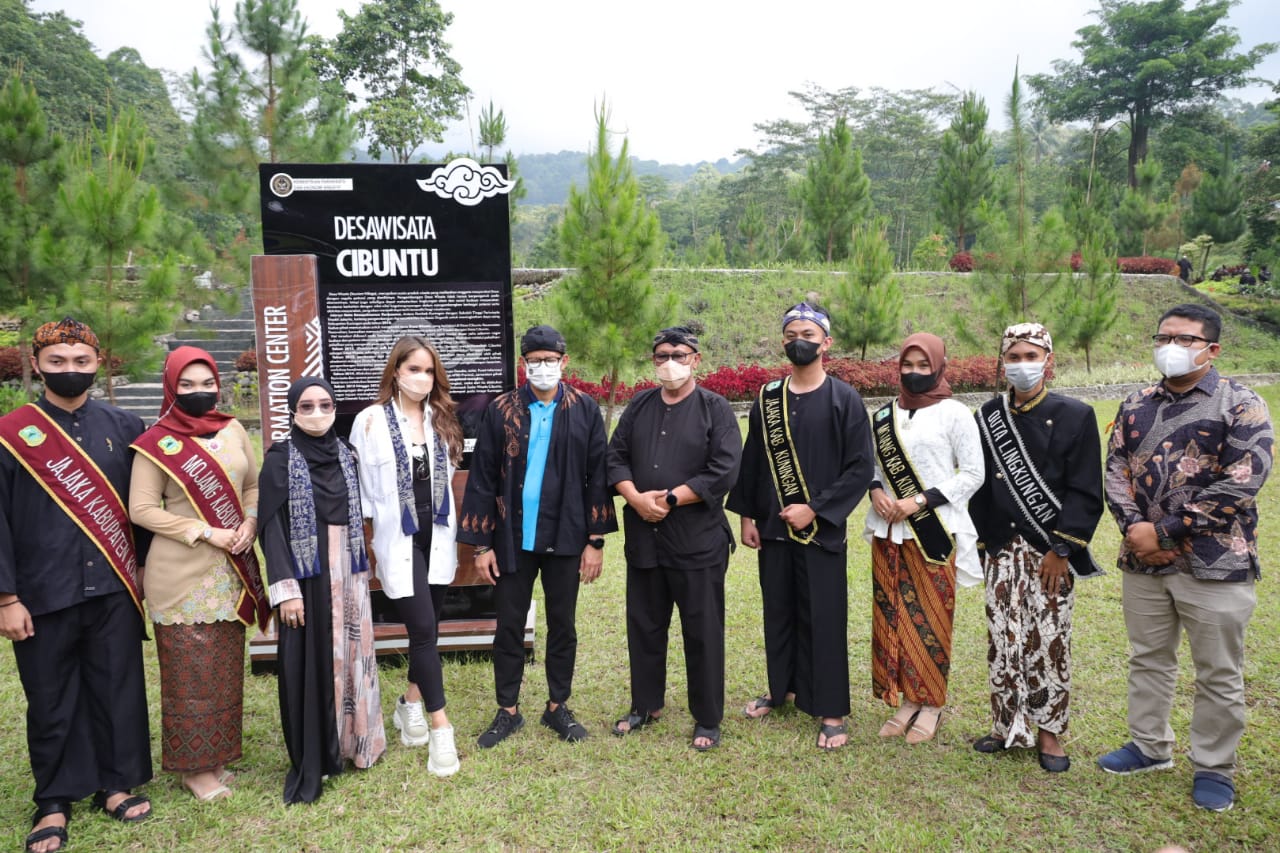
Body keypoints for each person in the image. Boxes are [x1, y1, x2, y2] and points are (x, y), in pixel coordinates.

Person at [1098, 303, 1273, 813]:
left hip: (1215, 563)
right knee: (1148, 657)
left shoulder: (1241, 404)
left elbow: (1244, 480)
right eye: (1163, 337)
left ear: (1211, 349)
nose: (1170, 347)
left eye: (1184, 339)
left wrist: (1165, 531)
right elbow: (1115, 471)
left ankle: (1214, 766)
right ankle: (1149, 746)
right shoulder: (1135, 404)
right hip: (1144, 561)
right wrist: (1135, 529)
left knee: (1218, 670)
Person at [0, 318, 153, 853]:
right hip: (42, 591)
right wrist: (6, 597)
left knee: (117, 687)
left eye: (81, 361)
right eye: (58, 361)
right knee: (50, 696)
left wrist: (143, 569)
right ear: (37, 364)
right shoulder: (10, 433)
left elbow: (141, 508)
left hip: (113, 586)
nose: (71, 370)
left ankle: (116, 783)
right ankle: (54, 799)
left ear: (98, 363)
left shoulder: (127, 425)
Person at [459, 325, 618, 748]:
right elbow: (482, 476)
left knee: (563, 624)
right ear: (523, 364)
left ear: (564, 362)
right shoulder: (501, 409)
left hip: (567, 536)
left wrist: (595, 541)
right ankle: (507, 710)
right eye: (535, 361)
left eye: (550, 360)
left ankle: (557, 706)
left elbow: (598, 475)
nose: (542, 367)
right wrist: (482, 545)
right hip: (513, 539)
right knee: (509, 625)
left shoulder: (584, 409)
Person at [727, 303, 874, 750]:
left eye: (808, 335)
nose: (799, 342)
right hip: (772, 529)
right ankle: (782, 689)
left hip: (820, 532)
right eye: (791, 334)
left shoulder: (844, 398)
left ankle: (831, 709)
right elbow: (753, 460)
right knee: (779, 613)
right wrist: (748, 516)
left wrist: (815, 509)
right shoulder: (768, 398)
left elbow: (859, 467)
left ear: (826, 342)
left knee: (823, 618)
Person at [129, 346, 269, 802]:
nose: (199, 392)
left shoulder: (232, 429)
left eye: (207, 383)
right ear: (171, 388)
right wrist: (205, 531)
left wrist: (250, 521)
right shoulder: (156, 442)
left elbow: (252, 485)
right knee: (190, 677)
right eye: (187, 385)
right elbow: (141, 509)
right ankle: (194, 769)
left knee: (224, 672)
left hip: (230, 574)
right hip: (181, 575)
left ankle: (218, 756)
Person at [967, 323, 1105, 773]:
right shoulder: (987, 417)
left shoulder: (1076, 415)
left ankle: (1049, 731)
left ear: (1049, 360)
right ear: (1002, 362)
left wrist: (1062, 548)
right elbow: (980, 485)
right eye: (1014, 356)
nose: (1022, 364)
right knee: (1002, 637)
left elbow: (1086, 489)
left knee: (1048, 639)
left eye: (1031, 356)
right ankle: (1006, 723)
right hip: (1000, 547)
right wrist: (984, 541)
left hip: (1048, 551)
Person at [606, 327, 741, 751]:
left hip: (696, 541)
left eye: (679, 355)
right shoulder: (640, 405)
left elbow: (724, 470)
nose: (670, 363)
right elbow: (615, 456)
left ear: (695, 360)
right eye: (661, 355)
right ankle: (646, 705)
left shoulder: (715, 409)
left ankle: (708, 718)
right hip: (644, 538)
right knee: (645, 625)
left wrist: (669, 499)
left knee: (702, 630)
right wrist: (634, 497)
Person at [258, 377, 386, 804]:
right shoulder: (279, 460)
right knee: (310, 661)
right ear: (293, 411)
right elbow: (270, 529)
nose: (317, 413)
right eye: (307, 406)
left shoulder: (346, 454)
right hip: (306, 575)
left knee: (353, 654)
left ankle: (356, 743)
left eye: (325, 405)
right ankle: (318, 752)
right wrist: (286, 590)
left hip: (348, 571)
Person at [349, 335, 463, 777]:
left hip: (437, 537)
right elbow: (359, 491)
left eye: (429, 371)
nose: (422, 378)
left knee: (428, 629)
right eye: (414, 369)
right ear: (395, 371)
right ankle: (441, 727)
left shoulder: (441, 418)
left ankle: (408, 702)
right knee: (422, 630)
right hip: (398, 539)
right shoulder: (370, 421)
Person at [863, 332, 984, 744]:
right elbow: (871, 465)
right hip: (888, 530)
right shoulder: (883, 415)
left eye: (923, 365)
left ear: (939, 367)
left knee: (930, 618)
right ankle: (906, 699)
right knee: (893, 615)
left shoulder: (955, 413)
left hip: (933, 532)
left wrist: (919, 501)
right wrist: (876, 491)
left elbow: (973, 473)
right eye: (907, 365)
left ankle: (931, 702)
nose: (914, 372)